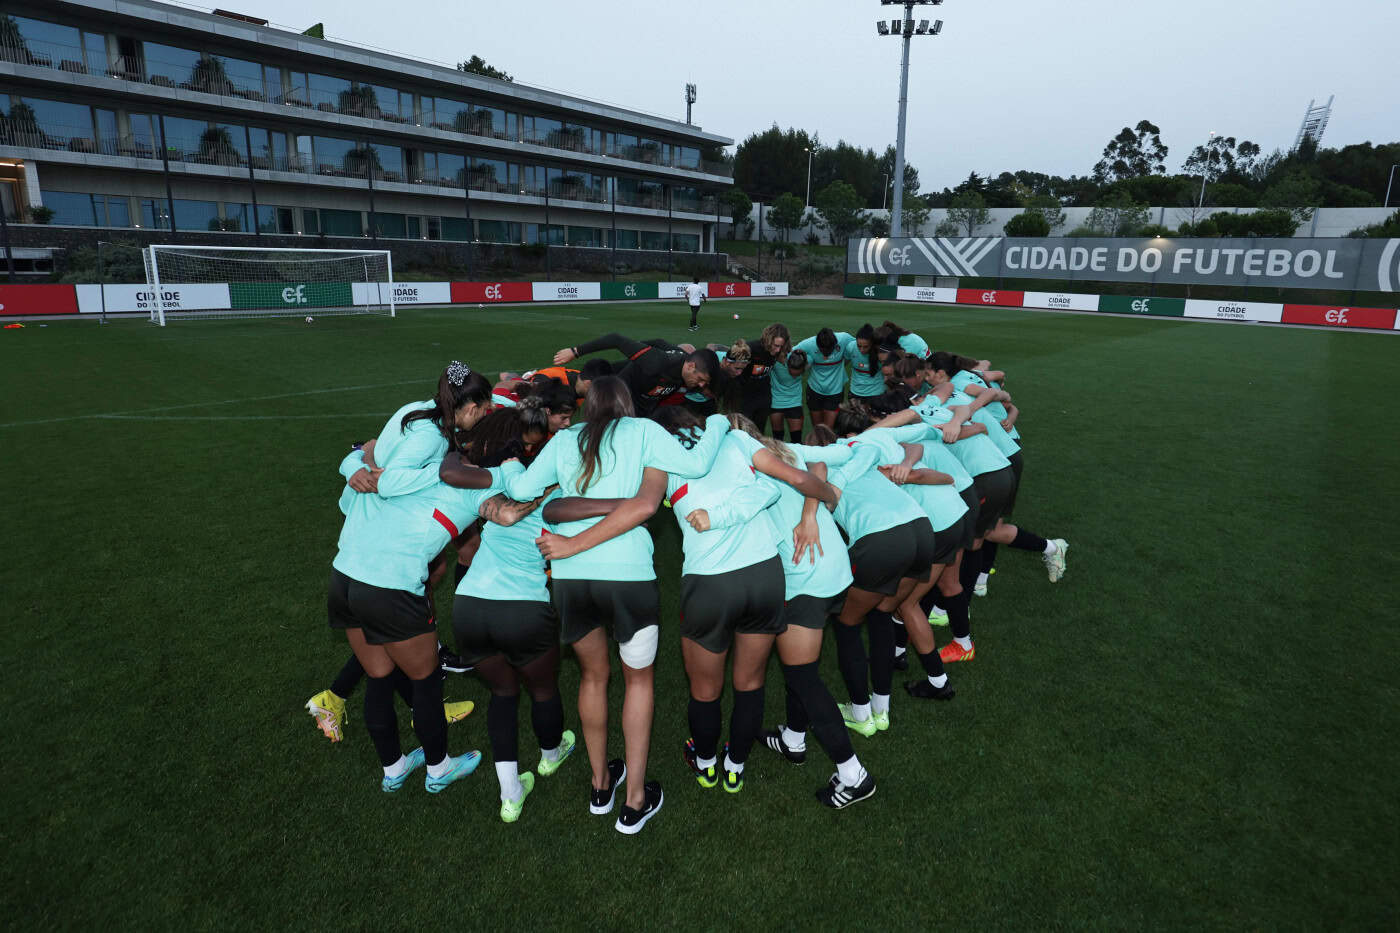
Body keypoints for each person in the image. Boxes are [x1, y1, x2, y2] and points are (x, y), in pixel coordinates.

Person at [503, 376, 733, 834]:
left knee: (591, 677)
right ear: (628, 404)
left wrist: (509, 466)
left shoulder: (567, 437)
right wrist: (721, 423)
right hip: (627, 577)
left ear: (589, 406)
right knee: (638, 681)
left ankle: (600, 785)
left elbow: (523, 487)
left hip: (571, 581)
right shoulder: (645, 431)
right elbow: (699, 462)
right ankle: (634, 799)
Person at [328, 361, 540, 794]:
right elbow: (512, 507)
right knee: (424, 683)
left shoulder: (418, 439)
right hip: (390, 584)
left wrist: (354, 463)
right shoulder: (480, 483)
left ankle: (394, 768)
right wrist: (540, 483)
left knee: (380, 677)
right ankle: (439, 769)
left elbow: (366, 453)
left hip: (345, 574)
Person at [648, 408, 789, 794]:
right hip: (764, 574)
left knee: (705, 690)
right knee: (750, 682)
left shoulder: (659, 460)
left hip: (710, 584)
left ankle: (707, 763)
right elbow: (770, 484)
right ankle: (735, 766)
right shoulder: (737, 439)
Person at [805, 409, 937, 737]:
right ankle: (882, 709)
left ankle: (861, 713)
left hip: (884, 539)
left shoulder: (818, 472)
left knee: (848, 623)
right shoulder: (856, 454)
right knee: (882, 614)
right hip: (922, 530)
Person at [553, 333, 720, 417]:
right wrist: (575, 352)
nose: (700, 385)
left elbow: (659, 342)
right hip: (618, 403)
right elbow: (616, 339)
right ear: (691, 366)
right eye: (700, 380)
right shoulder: (657, 362)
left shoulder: (683, 370)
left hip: (642, 410)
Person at [793, 328, 853, 429]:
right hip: (814, 390)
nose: (826, 354)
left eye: (829, 350)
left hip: (835, 391)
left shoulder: (843, 338)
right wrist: (802, 360)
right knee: (818, 429)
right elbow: (789, 353)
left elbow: (858, 345)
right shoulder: (809, 344)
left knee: (829, 430)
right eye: (823, 350)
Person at [768, 349, 808, 443]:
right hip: (776, 402)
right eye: (791, 372)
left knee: (796, 440)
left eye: (797, 374)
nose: (794, 376)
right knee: (777, 439)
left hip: (794, 402)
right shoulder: (777, 361)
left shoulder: (806, 360)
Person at [846, 323, 886, 404]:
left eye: (866, 347)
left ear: (873, 344)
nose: (862, 350)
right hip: (855, 392)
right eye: (859, 346)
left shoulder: (881, 353)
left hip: (876, 393)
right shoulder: (851, 347)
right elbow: (843, 363)